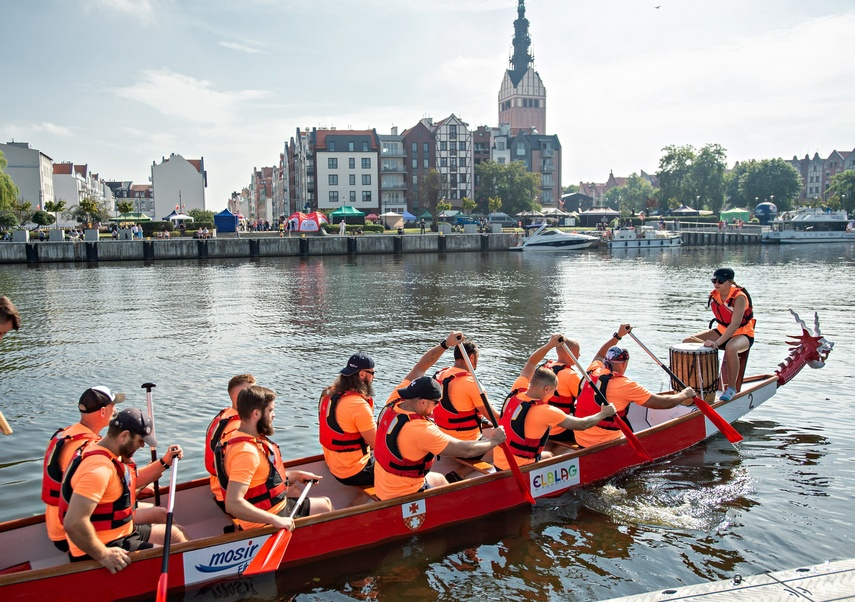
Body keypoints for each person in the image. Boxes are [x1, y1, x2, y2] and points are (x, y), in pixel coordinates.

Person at [60, 408, 186, 571]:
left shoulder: (105, 451)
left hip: (120, 533)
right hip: (105, 545)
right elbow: (73, 523)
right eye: (140, 440)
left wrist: (165, 462)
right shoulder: (99, 469)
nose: (142, 446)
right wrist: (104, 554)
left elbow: (130, 481)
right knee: (180, 553)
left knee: (177, 534)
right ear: (124, 436)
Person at [217, 385, 333, 532]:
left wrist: (296, 475)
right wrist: (275, 520)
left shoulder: (243, 438)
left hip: (274, 509)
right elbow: (233, 503)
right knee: (326, 505)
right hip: (265, 521)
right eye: (271, 410)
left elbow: (261, 480)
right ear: (256, 414)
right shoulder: (246, 452)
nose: (274, 415)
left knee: (317, 500)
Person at [493, 334, 617, 470]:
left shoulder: (517, 389)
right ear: (547, 389)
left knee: (548, 455)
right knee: (555, 455)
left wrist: (549, 345)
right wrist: (603, 413)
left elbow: (531, 363)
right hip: (519, 468)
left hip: (499, 461)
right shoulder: (547, 411)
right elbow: (583, 425)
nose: (553, 396)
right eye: (554, 391)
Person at [373, 375, 507, 501]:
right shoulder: (421, 429)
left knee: (440, 479)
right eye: (436, 403)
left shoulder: (391, 405)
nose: (435, 409)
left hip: (382, 486)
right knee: (450, 493)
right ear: (423, 402)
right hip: (404, 493)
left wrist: (443, 348)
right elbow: (466, 450)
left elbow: (419, 367)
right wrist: (494, 441)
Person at [574, 325, 696, 449]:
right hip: (603, 443)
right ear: (624, 363)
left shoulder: (592, 369)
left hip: (580, 437)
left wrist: (618, 336)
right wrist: (684, 394)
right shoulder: (625, 385)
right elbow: (662, 403)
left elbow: (600, 355)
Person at [42, 386, 126, 551]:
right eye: (113, 406)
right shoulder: (89, 450)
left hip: (55, 525)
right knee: (156, 514)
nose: (116, 409)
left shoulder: (65, 434)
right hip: (69, 534)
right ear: (103, 412)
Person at [685, 267, 755, 401]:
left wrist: (717, 343)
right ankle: (696, 385)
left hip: (743, 335)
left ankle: (731, 388)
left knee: (731, 347)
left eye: (720, 281)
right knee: (687, 342)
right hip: (722, 331)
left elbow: (735, 324)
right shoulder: (714, 295)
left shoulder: (739, 297)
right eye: (714, 280)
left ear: (730, 282)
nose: (716, 284)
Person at [318, 353, 377, 486]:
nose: (373, 377)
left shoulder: (328, 395)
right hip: (356, 471)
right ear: (362, 374)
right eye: (372, 373)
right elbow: (378, 446)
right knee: (404, 470)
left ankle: (357, 504)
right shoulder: (358, 404)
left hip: (333, 465)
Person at [432, 338, 501, 442]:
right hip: (466, 444)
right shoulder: (472, 383)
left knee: (486, 423)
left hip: (442, 437)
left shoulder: (440, 375)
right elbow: (495, 418)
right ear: (471, 357)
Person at [204, 374, 257, 510]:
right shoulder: (239, 428)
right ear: (239, 397)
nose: (259, 396)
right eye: (253, 392)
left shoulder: (225, 416)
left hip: (217, 488)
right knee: (293, 491)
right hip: (228, 495)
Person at [540, 337, 584, 444]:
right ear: (571, 353)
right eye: (578, 352)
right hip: (559, 430)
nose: (579, 355)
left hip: (541, 426)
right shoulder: (570, 375)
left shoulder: (544, 368)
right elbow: (585, 399)